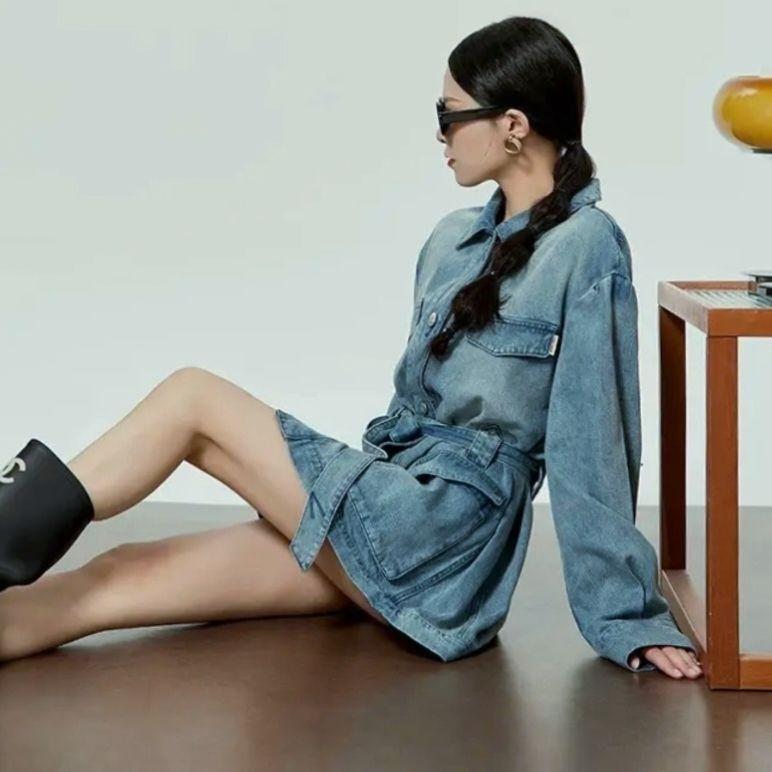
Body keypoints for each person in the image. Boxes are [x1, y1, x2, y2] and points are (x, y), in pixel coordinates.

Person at [0, 15, 702, 679]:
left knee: (193, 397)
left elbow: (592, 443)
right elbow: (410, 405)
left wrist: (625, 619)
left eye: (450, 115)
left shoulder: (586, 247)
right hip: (384, 517)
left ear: (512, 126)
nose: (440, 135)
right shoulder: (452, 241)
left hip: (443, 542)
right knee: (111, 578)